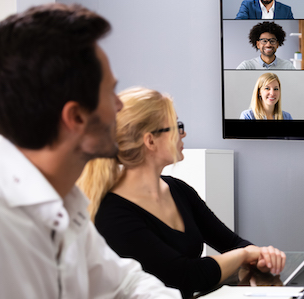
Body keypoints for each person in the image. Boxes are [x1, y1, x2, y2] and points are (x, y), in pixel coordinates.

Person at [0, 4, 180, 298]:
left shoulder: (66, 213)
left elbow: (127, 284)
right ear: (76, 118)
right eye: (111, 92)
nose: (119, 106)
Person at [78, 87, 286, 298]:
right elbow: (187, 275)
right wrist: (244, 255)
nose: (183, 133)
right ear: (150, 141)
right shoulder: (111, 214)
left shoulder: (179, 190)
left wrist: (260, 258)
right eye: (177, 127)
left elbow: (231, 243)